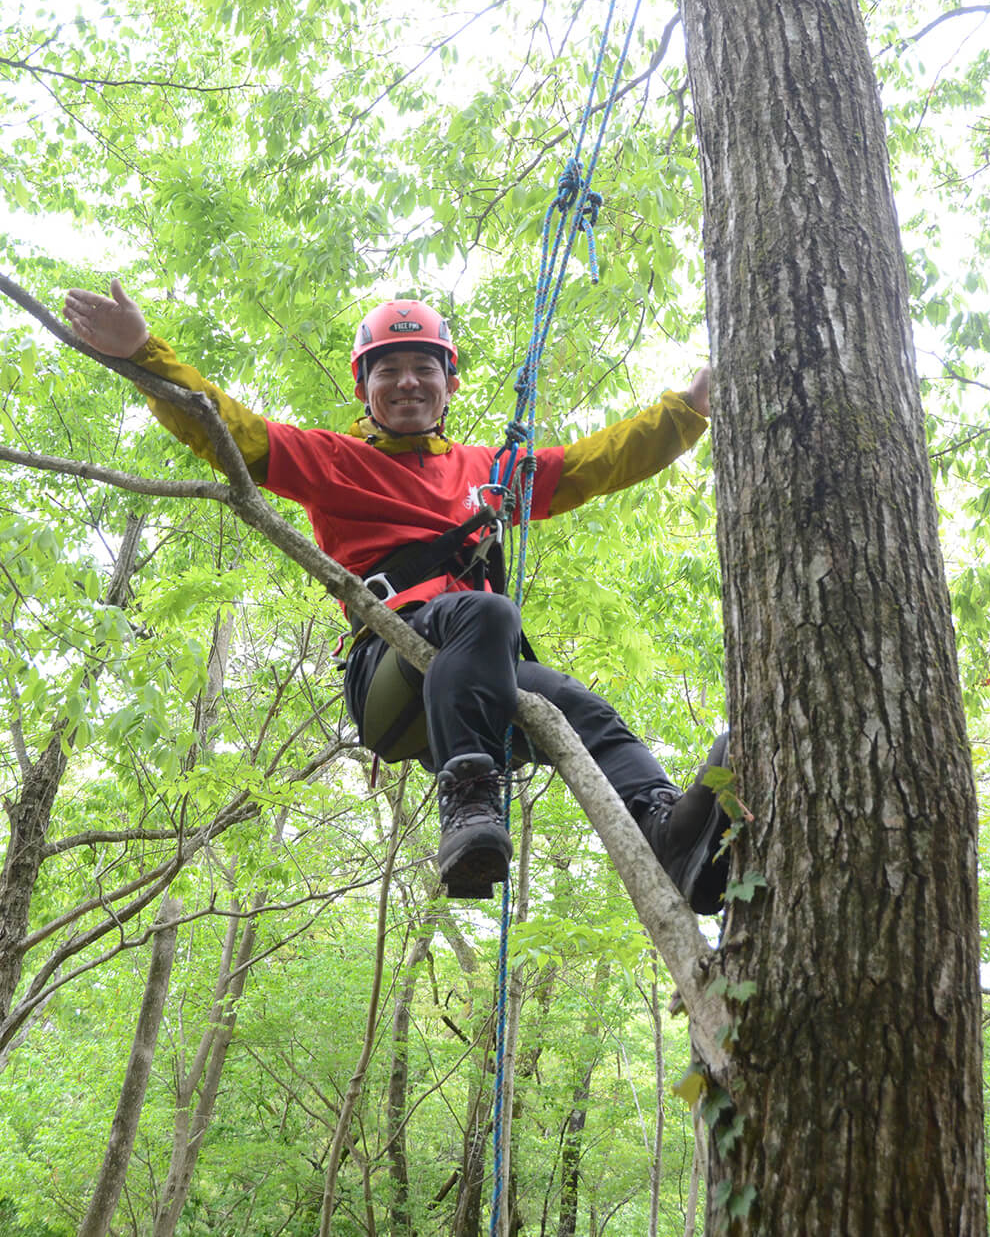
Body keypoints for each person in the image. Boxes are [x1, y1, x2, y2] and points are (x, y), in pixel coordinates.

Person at [63, 280, 730, 908]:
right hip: (390, 669)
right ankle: (469, 805)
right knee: (484, 611)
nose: (407, 381)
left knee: (588, 712)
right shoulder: (333, 460)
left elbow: (596, 462)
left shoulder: (489, 474)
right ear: (365, 388)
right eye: (388, 370)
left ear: (449, 386)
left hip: (478, 670)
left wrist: (688, 410)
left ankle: (670, 839)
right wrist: (143, 355)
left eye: (423, 368)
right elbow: (226, 427)